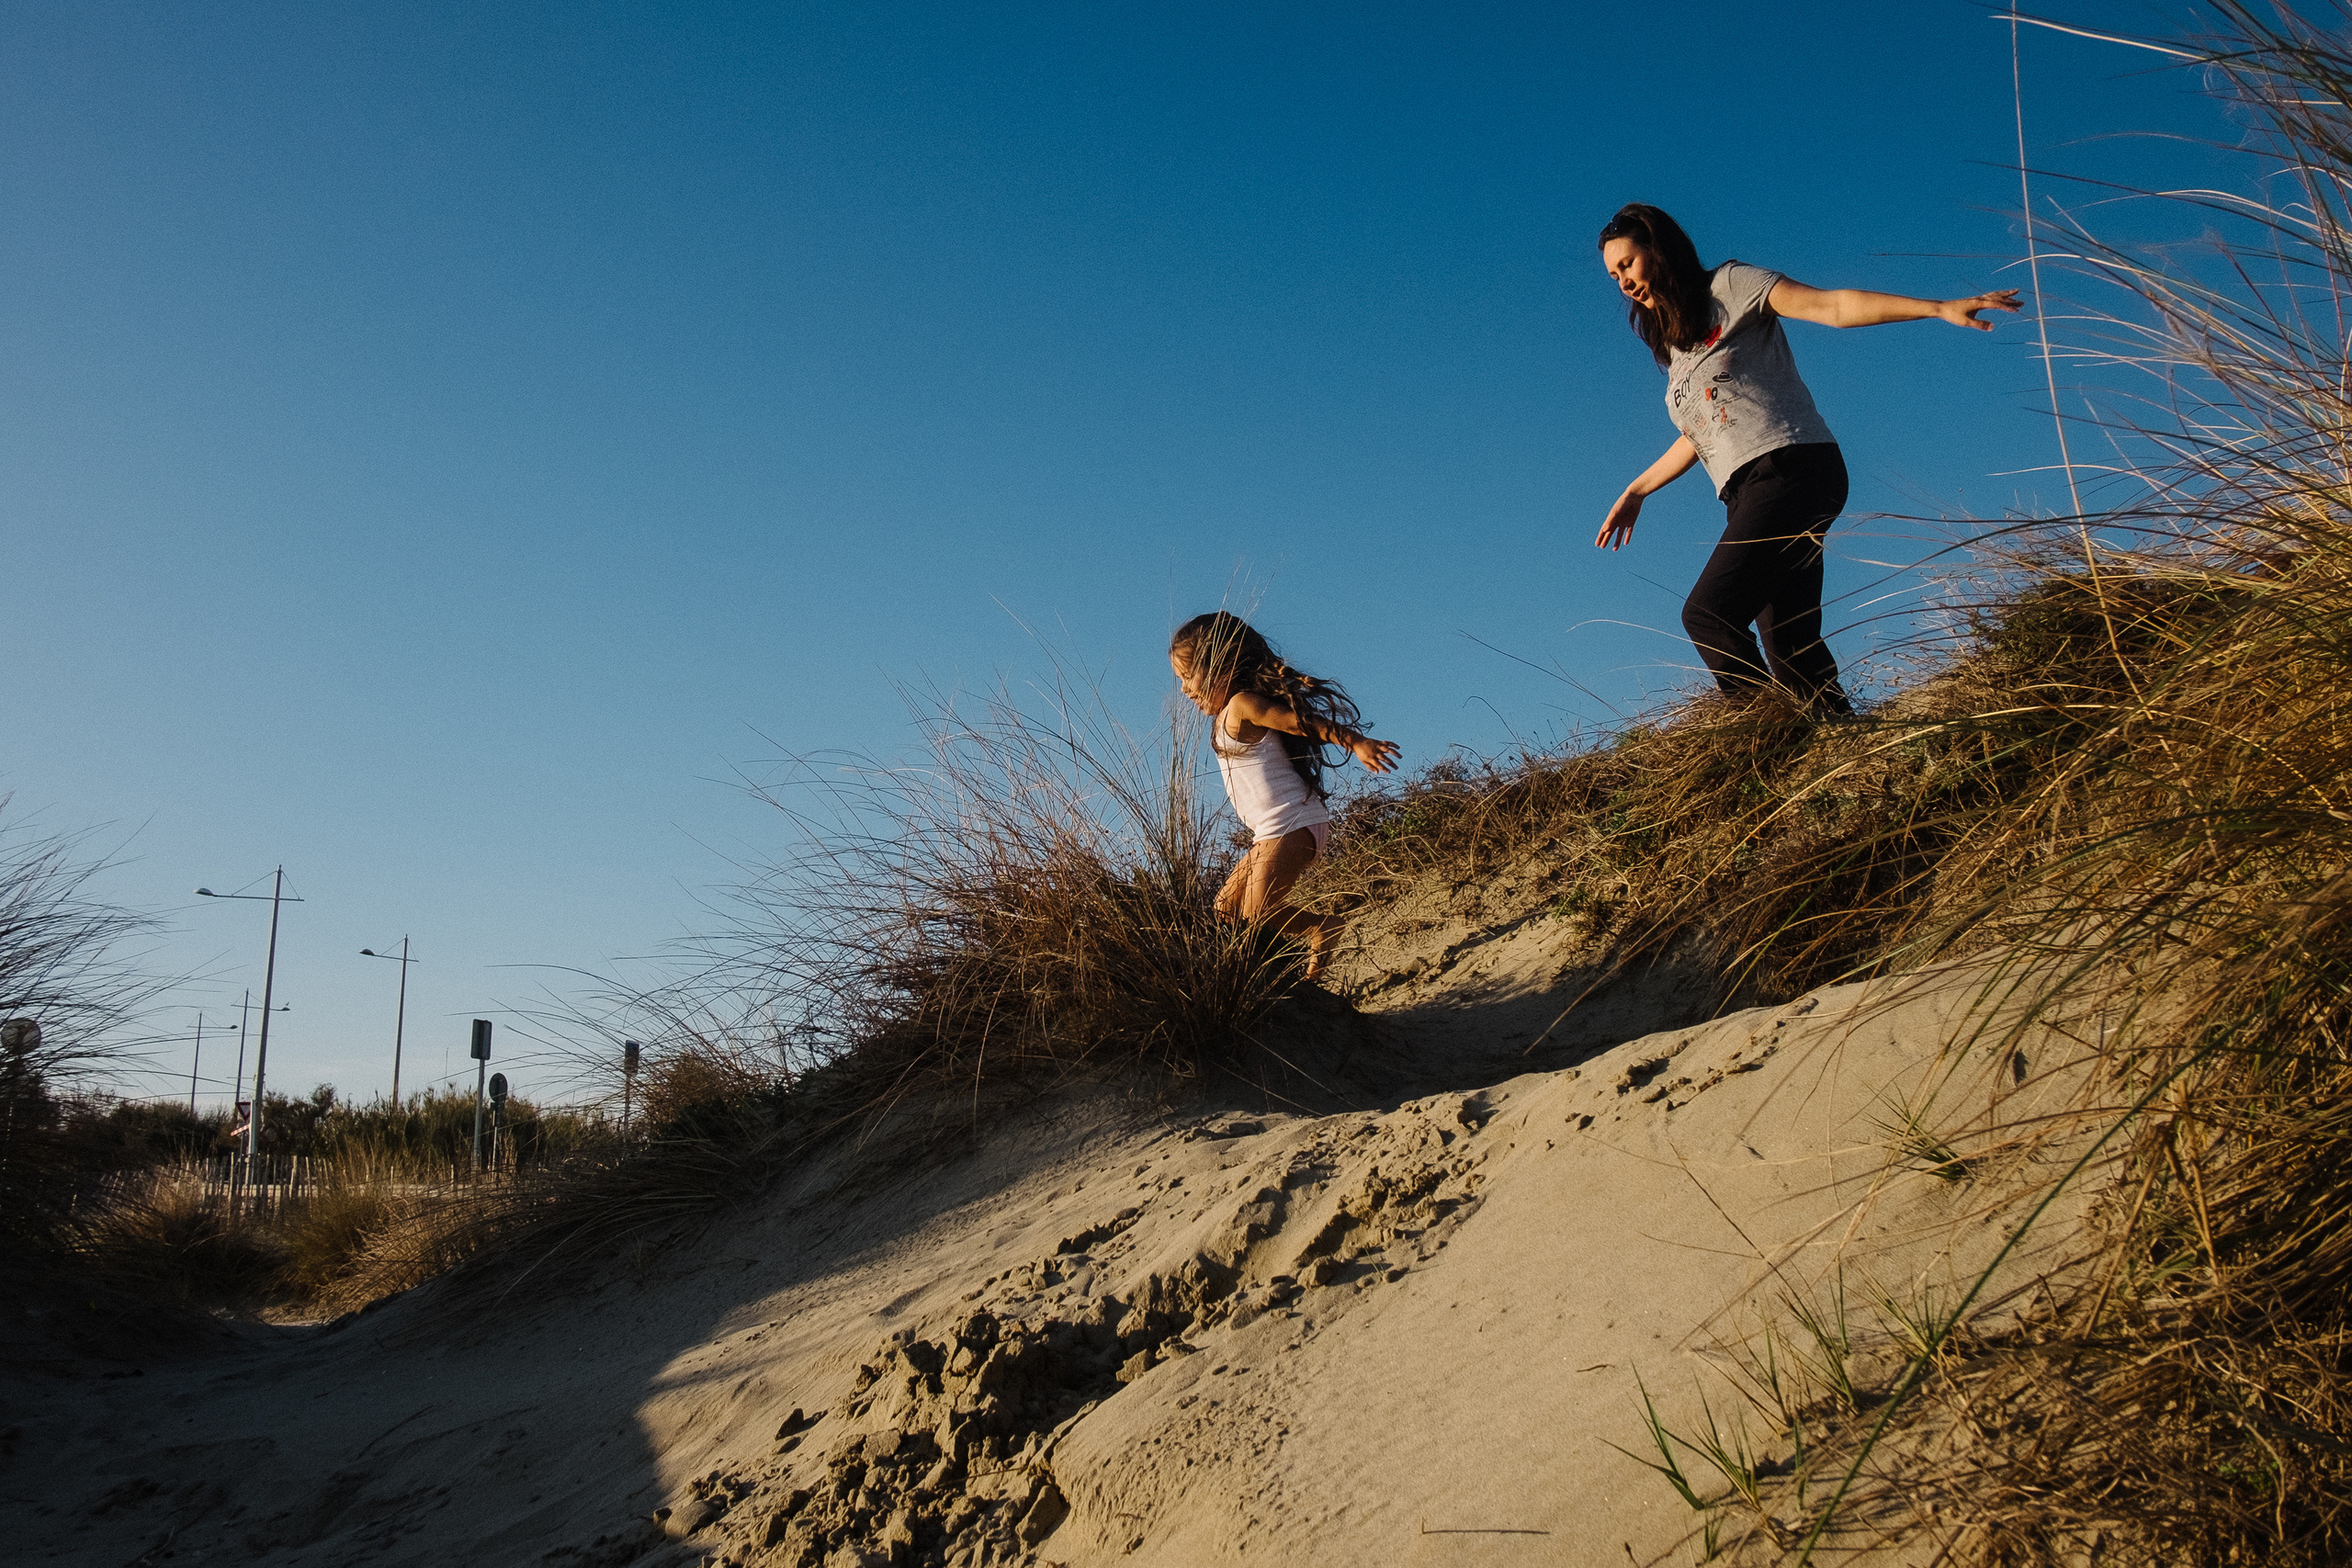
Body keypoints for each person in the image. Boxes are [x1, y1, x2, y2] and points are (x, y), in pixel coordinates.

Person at [1594, 203, 2021, 717]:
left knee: (1709, 615)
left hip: (1792, 468)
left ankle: (1759, 737)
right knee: (1790, 646)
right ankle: (1841, 750)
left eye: (1629, 263)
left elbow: (1832, 306)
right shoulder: (1675, 347)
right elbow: (1696, 434)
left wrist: (1935, 307)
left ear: (1658, 250)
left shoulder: (1731, 285)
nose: (1623, 280)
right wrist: (1637, 490)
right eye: (1614, 273)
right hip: (1746, 491)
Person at [1169, 612, 1398, 977]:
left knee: (1259, 916)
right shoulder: (1227, 715)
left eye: (1187, 676)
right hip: (1271, 833)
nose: (1183, 689)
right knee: (1225, 912)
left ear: (1221, 665)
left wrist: (1355, 741)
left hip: (1292, 824)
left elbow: (1298, 722)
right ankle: (1311, 960)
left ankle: (1320, 931)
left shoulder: (1242, 705)